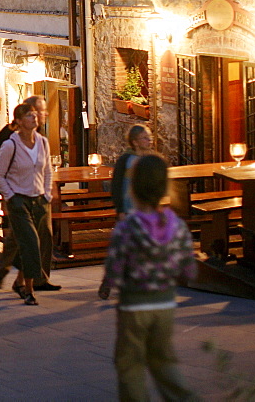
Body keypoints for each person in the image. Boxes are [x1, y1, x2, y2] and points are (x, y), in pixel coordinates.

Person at [98, 154, 197, 402]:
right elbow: (189, 270)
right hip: (165, 304)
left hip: (134, 305)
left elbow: (114, 268)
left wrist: (113, 281)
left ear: (133, 188)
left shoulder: (128, 227)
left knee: (130, 363)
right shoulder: (177, 226)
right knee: (163, 360)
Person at [0, 98, 61, 307]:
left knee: (34, 241)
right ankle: (29, 289)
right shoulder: (9, 144)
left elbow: (48, 170)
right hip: (19, 200)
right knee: (30, 242)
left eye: (35, 114)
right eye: (30, 115)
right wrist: (11, 196)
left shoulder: (42, 142)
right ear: (19, 121)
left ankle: (18, 280)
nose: (35, 118)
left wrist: (47, 194)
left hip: (39, 199)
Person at [111, 124, 154, 217]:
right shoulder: (125, 160)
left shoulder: (151, 159)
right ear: (135, 142)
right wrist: (120, 210)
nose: (149, 141)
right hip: (129, 209)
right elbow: (117, 185)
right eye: (145, 138)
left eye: (150, 137)